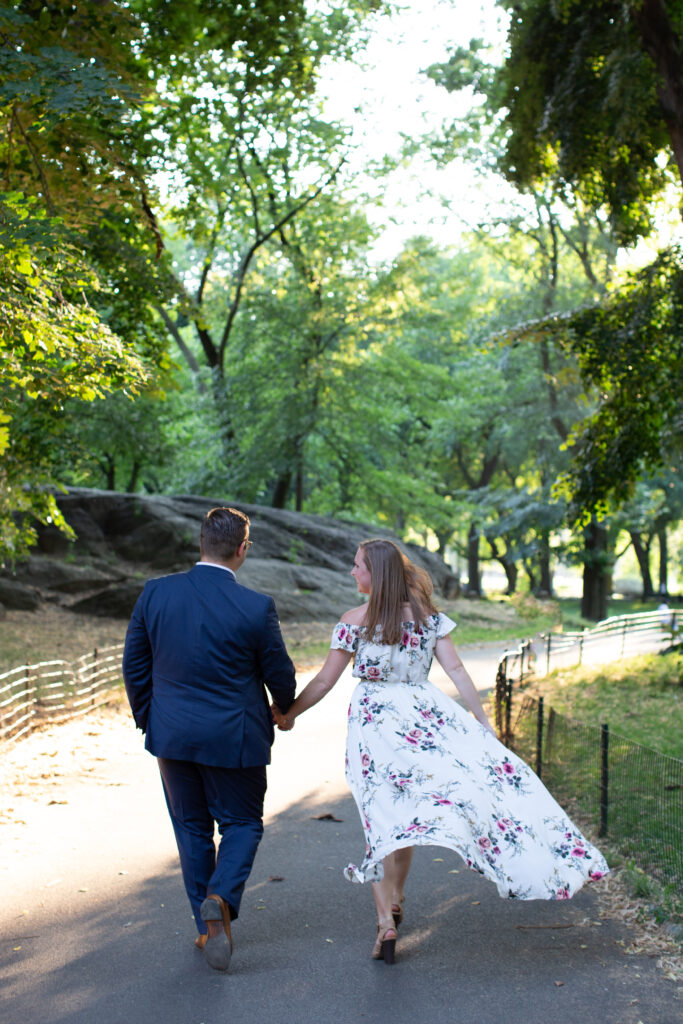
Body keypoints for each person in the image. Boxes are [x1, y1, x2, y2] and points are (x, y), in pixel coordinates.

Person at [273, 538, 608, 965]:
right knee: (408, 813)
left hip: (374, 723)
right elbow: (456, 670)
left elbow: (323, 681)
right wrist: (483, 725)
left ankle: (385, 922)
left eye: (357, 565)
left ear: (376, 574)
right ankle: (395, 898)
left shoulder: (353, 621)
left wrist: (290, 713)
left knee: (381, 816)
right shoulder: (430, 621)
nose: (352, 572)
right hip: (424, 716)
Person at [122, 506, 296, 972]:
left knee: (191, 828)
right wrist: (284, 710)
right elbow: (279, 671)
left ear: (201, 544)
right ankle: (219, 900)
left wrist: (151, 721)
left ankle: (207, 928)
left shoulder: (155, 594)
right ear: (243, 549)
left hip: (172, 735)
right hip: (234, 737)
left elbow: (134, 667)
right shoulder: (256, 606)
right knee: (242, 823)